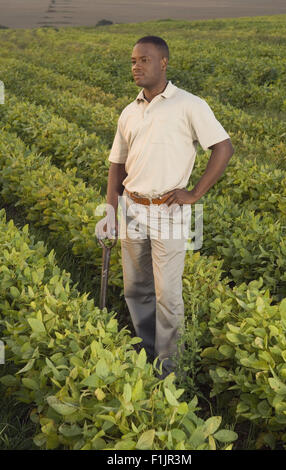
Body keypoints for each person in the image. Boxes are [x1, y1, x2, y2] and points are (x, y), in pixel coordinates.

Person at [95, 35, 234, 379]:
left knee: (168, 297)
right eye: (132, 61)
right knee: (135, 290)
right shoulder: (129, 112)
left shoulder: (189, 105)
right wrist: (111, 211)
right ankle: (146, 352)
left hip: (169, 212)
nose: (136, 67)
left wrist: (195, 193)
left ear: (163, 63)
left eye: (144, 60)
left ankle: (171, 374)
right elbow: (116, 166)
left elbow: (223, 148)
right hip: (132, 209)